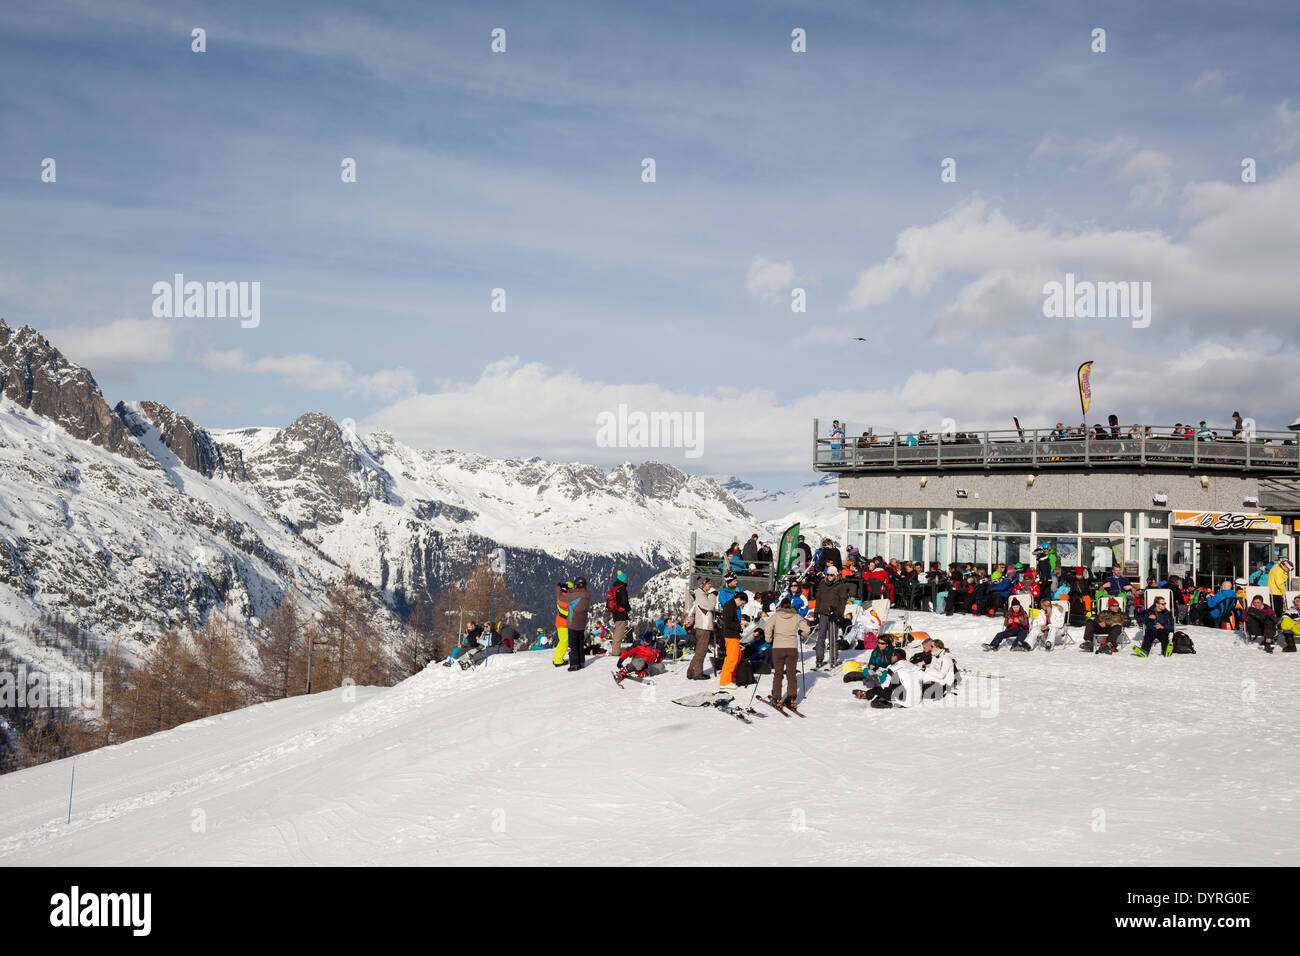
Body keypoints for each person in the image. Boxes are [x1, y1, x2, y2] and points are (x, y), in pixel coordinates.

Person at [765, 595, 809, 709]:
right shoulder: (796, 616)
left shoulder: (775, 616)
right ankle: (792, 698)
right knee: (791, 674)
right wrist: (802, 633)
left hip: (778, 648)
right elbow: (807, 629)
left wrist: (768, 639)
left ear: (780, 606)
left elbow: (768, 628)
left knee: (778, 674)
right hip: (792, 648)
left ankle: (776, 698)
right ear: (790, 606)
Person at [813, 566, 849, 668]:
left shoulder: (840, 585)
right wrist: (816, 613)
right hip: (823, 613)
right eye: (828, 574)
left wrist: (839, 614)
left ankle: (833, 658)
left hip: (834, 614)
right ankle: (819, 658)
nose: (829, 576)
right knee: (821, 637)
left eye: (831, 575)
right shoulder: (823, 583)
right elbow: (819, 598)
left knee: (833, 637)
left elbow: (843, 600)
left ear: (836, 575)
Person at [686, 578, 717, 680]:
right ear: (703, 585)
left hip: (702, 627)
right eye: (708, 583)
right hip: (704, 628)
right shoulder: (701, 595)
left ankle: (691, 671)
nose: (710, 585)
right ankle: (697, 674)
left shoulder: (701, 595)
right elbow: (710, 606)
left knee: (700, 651)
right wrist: (713, 595)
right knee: (701, 652)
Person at [718, 590, 748, 689]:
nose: (741, 605)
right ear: (739, 599)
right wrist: (739, 626)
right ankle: (725, 681)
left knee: (737, 656)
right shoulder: (730, 606)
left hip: (733, 635)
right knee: (731, 658)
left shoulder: (731, 605)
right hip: (730, 635)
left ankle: (731, 677)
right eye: (742, 603)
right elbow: (728, 622)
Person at [565, 578, 591, 672]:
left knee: (572, 644)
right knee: (580, 643)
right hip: (582, 623)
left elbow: (566, 600)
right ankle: (581, 662)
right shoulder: (586, 595)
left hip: (573, 623)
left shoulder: (577, 596)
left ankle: (574, 664)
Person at [607, 571, 630, 658]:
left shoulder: (614, 588)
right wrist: (628, 609)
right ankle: (616, 652)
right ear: (623, 580)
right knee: (619, 634)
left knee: (617, 632)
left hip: (615, 614)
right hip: (621, 614)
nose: (626, 580)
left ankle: (615, 651)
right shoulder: (623, 589)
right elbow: (624, 603)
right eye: (625, 579)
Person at [552, 583, 573, 667]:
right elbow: (566, 611)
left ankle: (557, 659)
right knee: (564, 641)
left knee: (564, 641)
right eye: (571, 588)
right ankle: (557, 660)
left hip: (562, 623)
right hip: (563, 623)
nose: (572, 590)